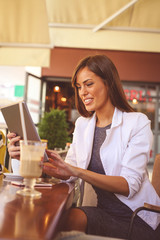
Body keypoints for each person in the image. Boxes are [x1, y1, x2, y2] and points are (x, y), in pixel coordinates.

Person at [7, 55, 160, 240]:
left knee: (63, 227)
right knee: (58, 221)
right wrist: (28, 157)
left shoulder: (137, 123)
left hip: (139, 219)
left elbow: (129, 186)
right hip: (104, 212)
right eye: (79, 87)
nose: (82, 92)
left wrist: (77, 171)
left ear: (108, 83)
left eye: (88, 84)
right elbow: (68, 171)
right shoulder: (83, 125)